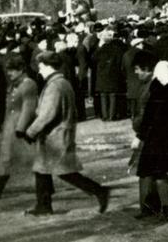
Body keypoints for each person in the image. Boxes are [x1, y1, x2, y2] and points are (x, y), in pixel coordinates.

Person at [24, 51, 109, 216]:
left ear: (48, 66)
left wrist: (30, 132)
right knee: (42, 169)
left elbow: (47, 114)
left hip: (54, 136)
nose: (39, 70)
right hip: (57, 134)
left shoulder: (55, 85)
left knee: (65, 172)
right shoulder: (61, 82)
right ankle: (43, 205)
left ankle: (99, 191)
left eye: (41, 66)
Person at [131, 51, 168, 220]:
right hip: (164, 136)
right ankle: (165, 204)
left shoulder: (157, 87)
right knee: (155, 171)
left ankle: (164, 206)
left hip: (157, 137)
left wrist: (139, 135)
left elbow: (150, 114)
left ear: (148, 69)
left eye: (138, 69)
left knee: (154, 171)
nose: (136, 73)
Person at [0, 54, 37, 198]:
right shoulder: (15, 83)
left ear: (21, 70)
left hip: (20, 129)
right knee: (5, 158)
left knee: (34, 158)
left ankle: (46, 189)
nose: (9, 73)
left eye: (12, 70)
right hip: (9, 127)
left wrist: (21, 128)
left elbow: (28, 107)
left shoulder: (28, 83)